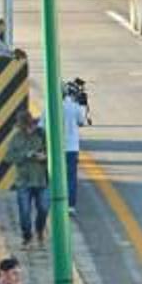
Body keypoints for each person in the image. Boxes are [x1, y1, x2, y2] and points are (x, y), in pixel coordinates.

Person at [6, 109, 49, 247]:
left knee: (43, 208)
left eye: (31, 126)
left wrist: (45, 157)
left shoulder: (42, 135)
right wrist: (26, 155)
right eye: (25, 127)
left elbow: (53, 152)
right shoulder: (16, 138)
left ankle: (40, 230)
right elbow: (8, 157)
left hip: (41, 179)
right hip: (23, 181)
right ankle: (27, 236)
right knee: (24, 211)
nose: (29, 129)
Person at [62, 82, 88, 214]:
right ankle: (70, 206)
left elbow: (42, 126)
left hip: (55, 148)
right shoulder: (74, 107)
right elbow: (82, 121)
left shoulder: (49, 107)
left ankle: (54, 202)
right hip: (71, 147)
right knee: (71, 177)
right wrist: (82, 105)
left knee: (53, 175)